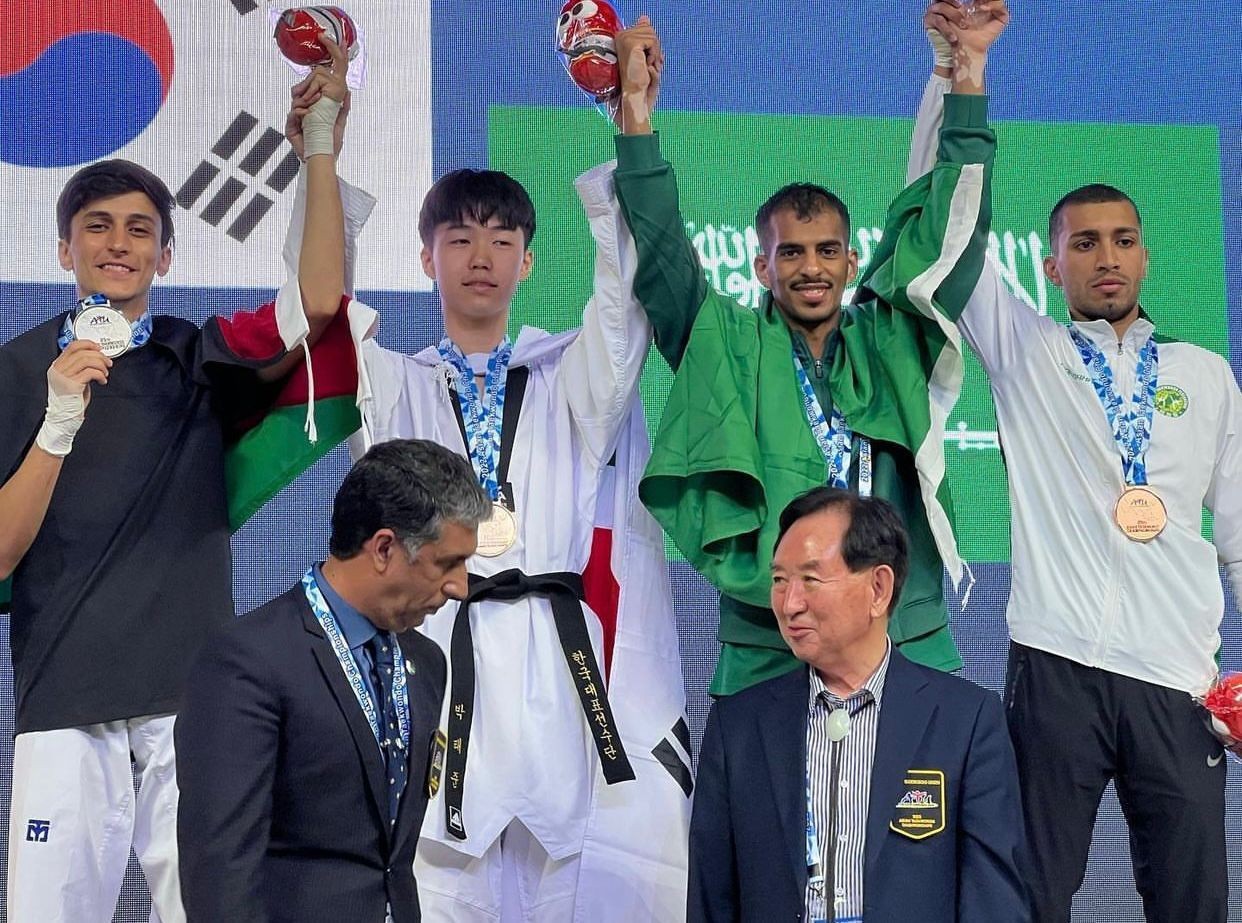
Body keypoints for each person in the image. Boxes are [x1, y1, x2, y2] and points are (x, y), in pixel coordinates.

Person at [0, 40, 360, 922]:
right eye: (97, 226)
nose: (117, 243)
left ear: (166, 256)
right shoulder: (13, 370)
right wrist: (56, 422)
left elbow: (317, 304)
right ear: (63, 247)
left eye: (139, 229)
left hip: (191, 703)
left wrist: (319, 145)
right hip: (63, 701)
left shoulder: (198, 356)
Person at [330, 50, 691, 922]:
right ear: (426, 258)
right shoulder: (399, 384)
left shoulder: (571, 375)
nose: (481, 257)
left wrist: (628, 124)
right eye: (459, 239)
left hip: (563, 673)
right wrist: (322, 149)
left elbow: (623, 310)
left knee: (584, 882)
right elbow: (325, 323)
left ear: (529, 261)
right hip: (442, 656)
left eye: (501, 241)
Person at [907, 4, 1242, 919]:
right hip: (1056, 665)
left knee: (1194, 900)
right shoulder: (1026, 349)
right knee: (1027, 898)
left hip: (1178, 678)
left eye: (1123, 239)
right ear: (1051, 266)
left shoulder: (1204, 374)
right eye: (1084, 242)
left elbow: (1238, 537)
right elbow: (939, 224)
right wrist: (955, 76)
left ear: (1146, 255)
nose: (1107, 257)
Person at [608, 6, 1008, 697]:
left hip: (900, 634)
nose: (811, 268)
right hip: (769, 639)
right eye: (790, 253)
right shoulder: (727, 342)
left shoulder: (890, 337)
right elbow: (664, 254)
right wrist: (635, 116)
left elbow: (948, 235)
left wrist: (966, 73)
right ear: (761, 266)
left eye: (827, 251)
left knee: (929, 773)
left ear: (853, 261)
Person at [175, 439, 485, 923]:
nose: (460, 587)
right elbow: (220, 875)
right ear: (384, 548)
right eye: (447, 563)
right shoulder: (248, 661)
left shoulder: (427, 663)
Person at [688, 487, 1028, 922]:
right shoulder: (738, 727)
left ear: (878, 588)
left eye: (810, 579)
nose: (790, 603)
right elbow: (711, 899)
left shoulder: (965, 722)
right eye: (779, 580)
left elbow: (994, 902)